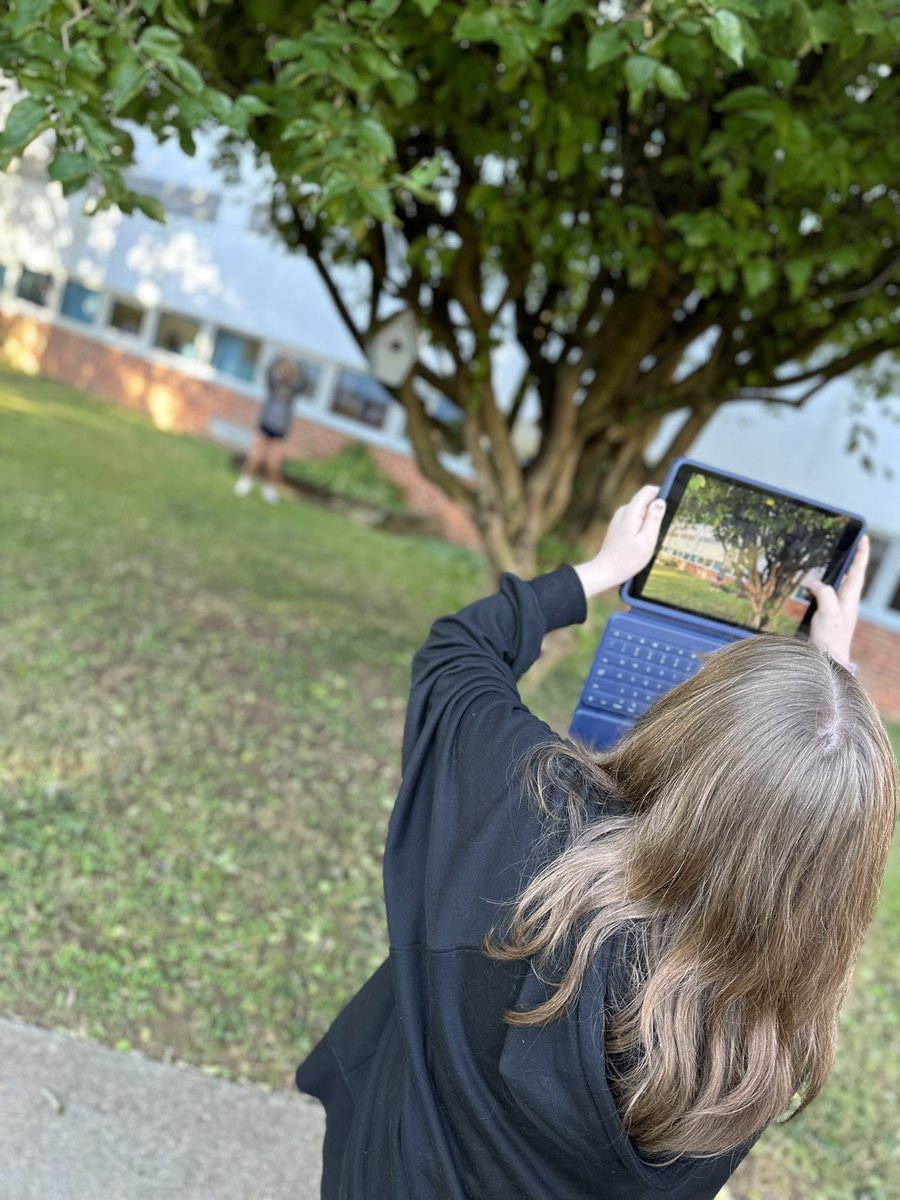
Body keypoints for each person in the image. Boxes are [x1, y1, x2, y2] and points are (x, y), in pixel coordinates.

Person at [296, 486, 898, 1199]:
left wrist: (602, 569)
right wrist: (829, 679)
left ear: (683, 722)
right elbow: (763, 853)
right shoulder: (765, 1045)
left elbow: (458, 654)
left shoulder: (531, 814)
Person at [233, 355, 306, 504]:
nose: (287, 374)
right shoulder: (274, 386)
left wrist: (299, 362)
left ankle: (270, 490)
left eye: (290, 371)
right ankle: (245, 482)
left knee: (274, 464)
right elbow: (268, 371)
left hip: (281, 430)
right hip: (265, 426)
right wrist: (279, 355)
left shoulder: (292, 392)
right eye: (285, 370)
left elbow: (305, 382)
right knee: (256, 457)